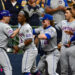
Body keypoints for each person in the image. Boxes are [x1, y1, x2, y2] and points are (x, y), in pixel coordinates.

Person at [13, 10, 38, 75]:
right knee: (34, 71)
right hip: (30, 50)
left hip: (30, 50)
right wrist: (18, 47)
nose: (18, 17)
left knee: (25, 71)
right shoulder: (22, 26)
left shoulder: (26, 27)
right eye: (18, 15)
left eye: (20, 16)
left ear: (25, 18)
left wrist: (18, 46)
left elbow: (29, 39)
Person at [55, 7, 75, 75]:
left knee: (74, 70)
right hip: (63, 47)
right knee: (63, 71)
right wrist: (58, 43)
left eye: (67, 13)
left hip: (73, 47)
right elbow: (55, 31)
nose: (65, 14)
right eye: (65, 13)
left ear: (71, 14)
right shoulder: (62, 22)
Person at [0, 10, 20, 75]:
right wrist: (20, 28)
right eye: (8, 16)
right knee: (8, 68)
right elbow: (12, 35)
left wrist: (12, 46)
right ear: (4, 17)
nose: (9, 17)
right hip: (0, 50)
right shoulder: (5, 26)